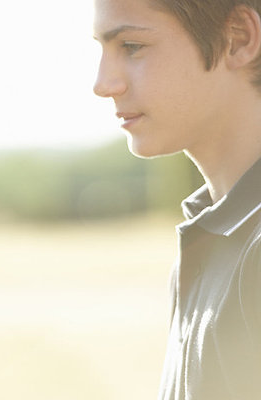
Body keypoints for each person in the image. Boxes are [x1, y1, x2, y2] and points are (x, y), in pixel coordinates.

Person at [93, 1, 261, 399]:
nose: (103, 84)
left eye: (131, 46)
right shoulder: (212, 236)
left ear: (238, 38)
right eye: (102, 49)